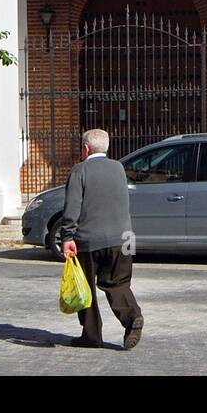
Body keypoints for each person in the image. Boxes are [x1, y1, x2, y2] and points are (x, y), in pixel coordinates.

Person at [59, 129, 144, 351]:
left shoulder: (80, 170)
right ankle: (132, 317)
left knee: (85, 288)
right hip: (123, 238)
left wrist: (67, 235)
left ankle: (91, 335)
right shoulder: (118, 168)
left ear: (85, 148)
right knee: (118, 283)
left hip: (89, 239)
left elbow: (72, 207)